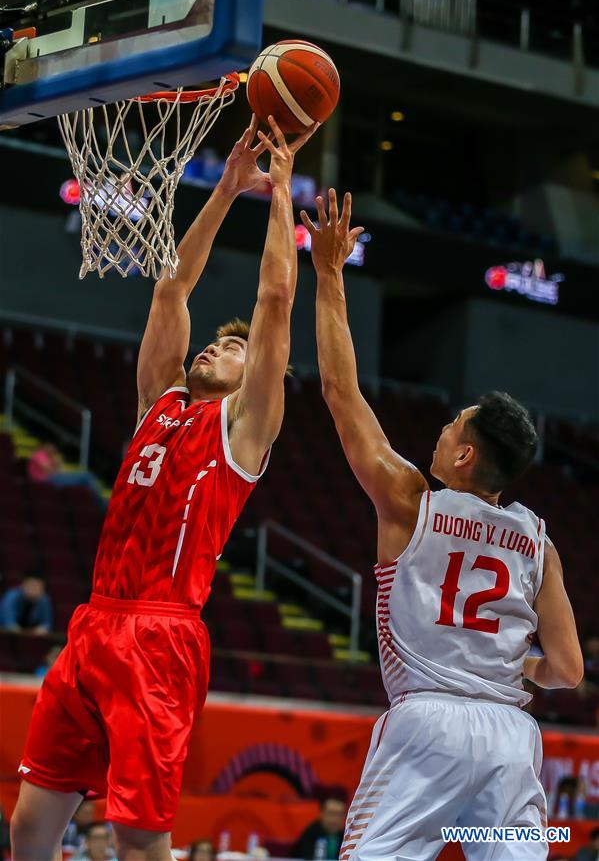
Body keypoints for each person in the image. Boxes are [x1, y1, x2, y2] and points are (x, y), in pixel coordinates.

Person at [10, 114, 317, 861]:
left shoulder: (246, 427)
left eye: (235, 346)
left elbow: (276, 302)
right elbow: (171, 288)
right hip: (94, 622)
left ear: (258, 375)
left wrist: (278, 193)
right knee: (27, 825)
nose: (218, 343)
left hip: (161, 635)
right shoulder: (162, 402)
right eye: (219, 338)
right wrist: (224, 190)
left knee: (139, 839)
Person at [301, 189, 584, 861]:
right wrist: (514, 664)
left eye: (449, 424)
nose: (438, 428)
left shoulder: (410, 499)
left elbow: (340, 394)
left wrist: (330, 275)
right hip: (511, 738)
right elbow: (568, 669)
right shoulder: (536, 540)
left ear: (463, 454)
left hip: (426, 725)